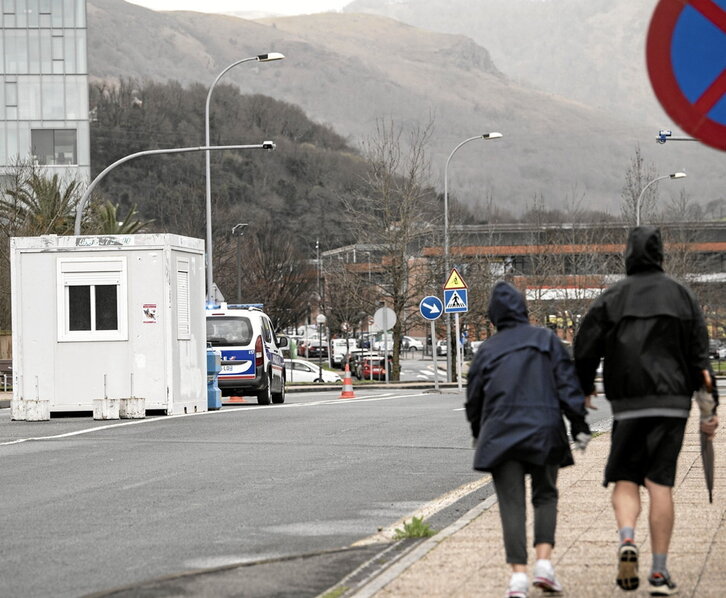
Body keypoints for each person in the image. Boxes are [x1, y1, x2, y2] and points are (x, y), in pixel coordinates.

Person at [574, 226, 719, 596]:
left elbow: (586, 345)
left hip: (628, 404)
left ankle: (626, 540)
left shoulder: (612, 297)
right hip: (671, 404)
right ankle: (658, 570)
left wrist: (586, 385)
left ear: (628, 256)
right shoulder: (681, 296)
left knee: (625, 478)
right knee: (660, 483)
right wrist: (708, 411)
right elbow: (699, 358)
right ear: (660, 256)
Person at [466, 281, 591, 598]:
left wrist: (478, 432)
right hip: (544, 431)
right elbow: (567, 386)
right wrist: (578, 424)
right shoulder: (546, 339)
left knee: (511, 503)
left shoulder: (487, 350)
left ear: (494, 316)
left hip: (500, 434)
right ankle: (545, 565)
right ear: (523, 309)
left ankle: (518, 577)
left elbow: (474, 399)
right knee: (545, 495)